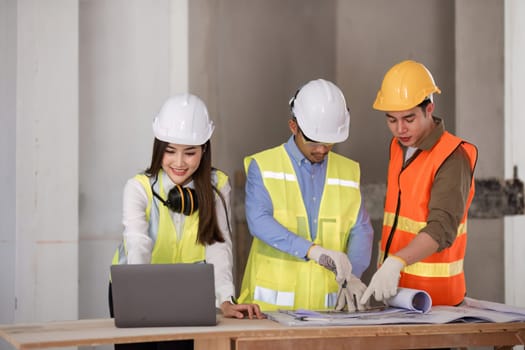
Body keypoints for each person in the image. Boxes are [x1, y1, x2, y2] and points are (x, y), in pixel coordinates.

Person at [109, 93, 264, 350]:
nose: (179, 163)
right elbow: (138, 243)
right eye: (170, 151)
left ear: (204, 150)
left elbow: (218, 244)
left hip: (187, 294)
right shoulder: (138, 188)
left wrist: (225, 299)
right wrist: (138, 296)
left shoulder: (217, 187)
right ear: (159, 147)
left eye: (189, 153)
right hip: (135, 287)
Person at [238, 78, 374, 312]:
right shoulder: (264, 166)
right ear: (293, 126)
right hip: (270, 314)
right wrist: (312, 251)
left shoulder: (348, 171)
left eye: (329, 141)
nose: (322, 149)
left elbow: (361, 228)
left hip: (329, 312)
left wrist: (352, 274)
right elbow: (259, 222)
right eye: (313, 140)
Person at [360, 60, 478, 307]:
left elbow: (442, 228)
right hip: (397, 295)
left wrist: (396, 262)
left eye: (409, 118)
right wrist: (390, 268)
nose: (400, 129)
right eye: (391, 119)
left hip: (436, 302)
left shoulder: (452, 157)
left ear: (429, 109)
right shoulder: (397, 147)